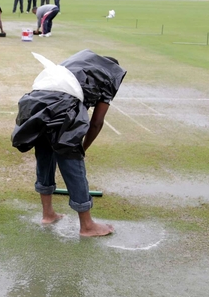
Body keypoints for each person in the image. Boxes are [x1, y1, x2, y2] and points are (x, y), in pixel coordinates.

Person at [11, 50, 127, 237]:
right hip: (62, 108)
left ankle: (48, 214)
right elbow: (96, 122)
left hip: (36, 104)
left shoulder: (76, 65)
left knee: (45, 157)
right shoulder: (108, 76)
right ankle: (87, 226)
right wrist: (82, 149)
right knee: (72, 165)